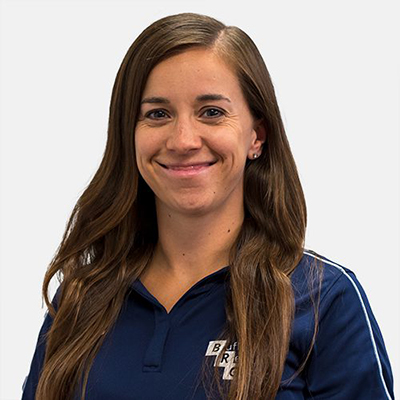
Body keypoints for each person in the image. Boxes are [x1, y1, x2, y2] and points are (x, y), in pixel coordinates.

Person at [22, 12, 394, 400]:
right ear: (128, 134)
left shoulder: (323, 300)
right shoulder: (81, 300)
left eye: (212, 112)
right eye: (157, 114)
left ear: (256, 136)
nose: (183, 140)